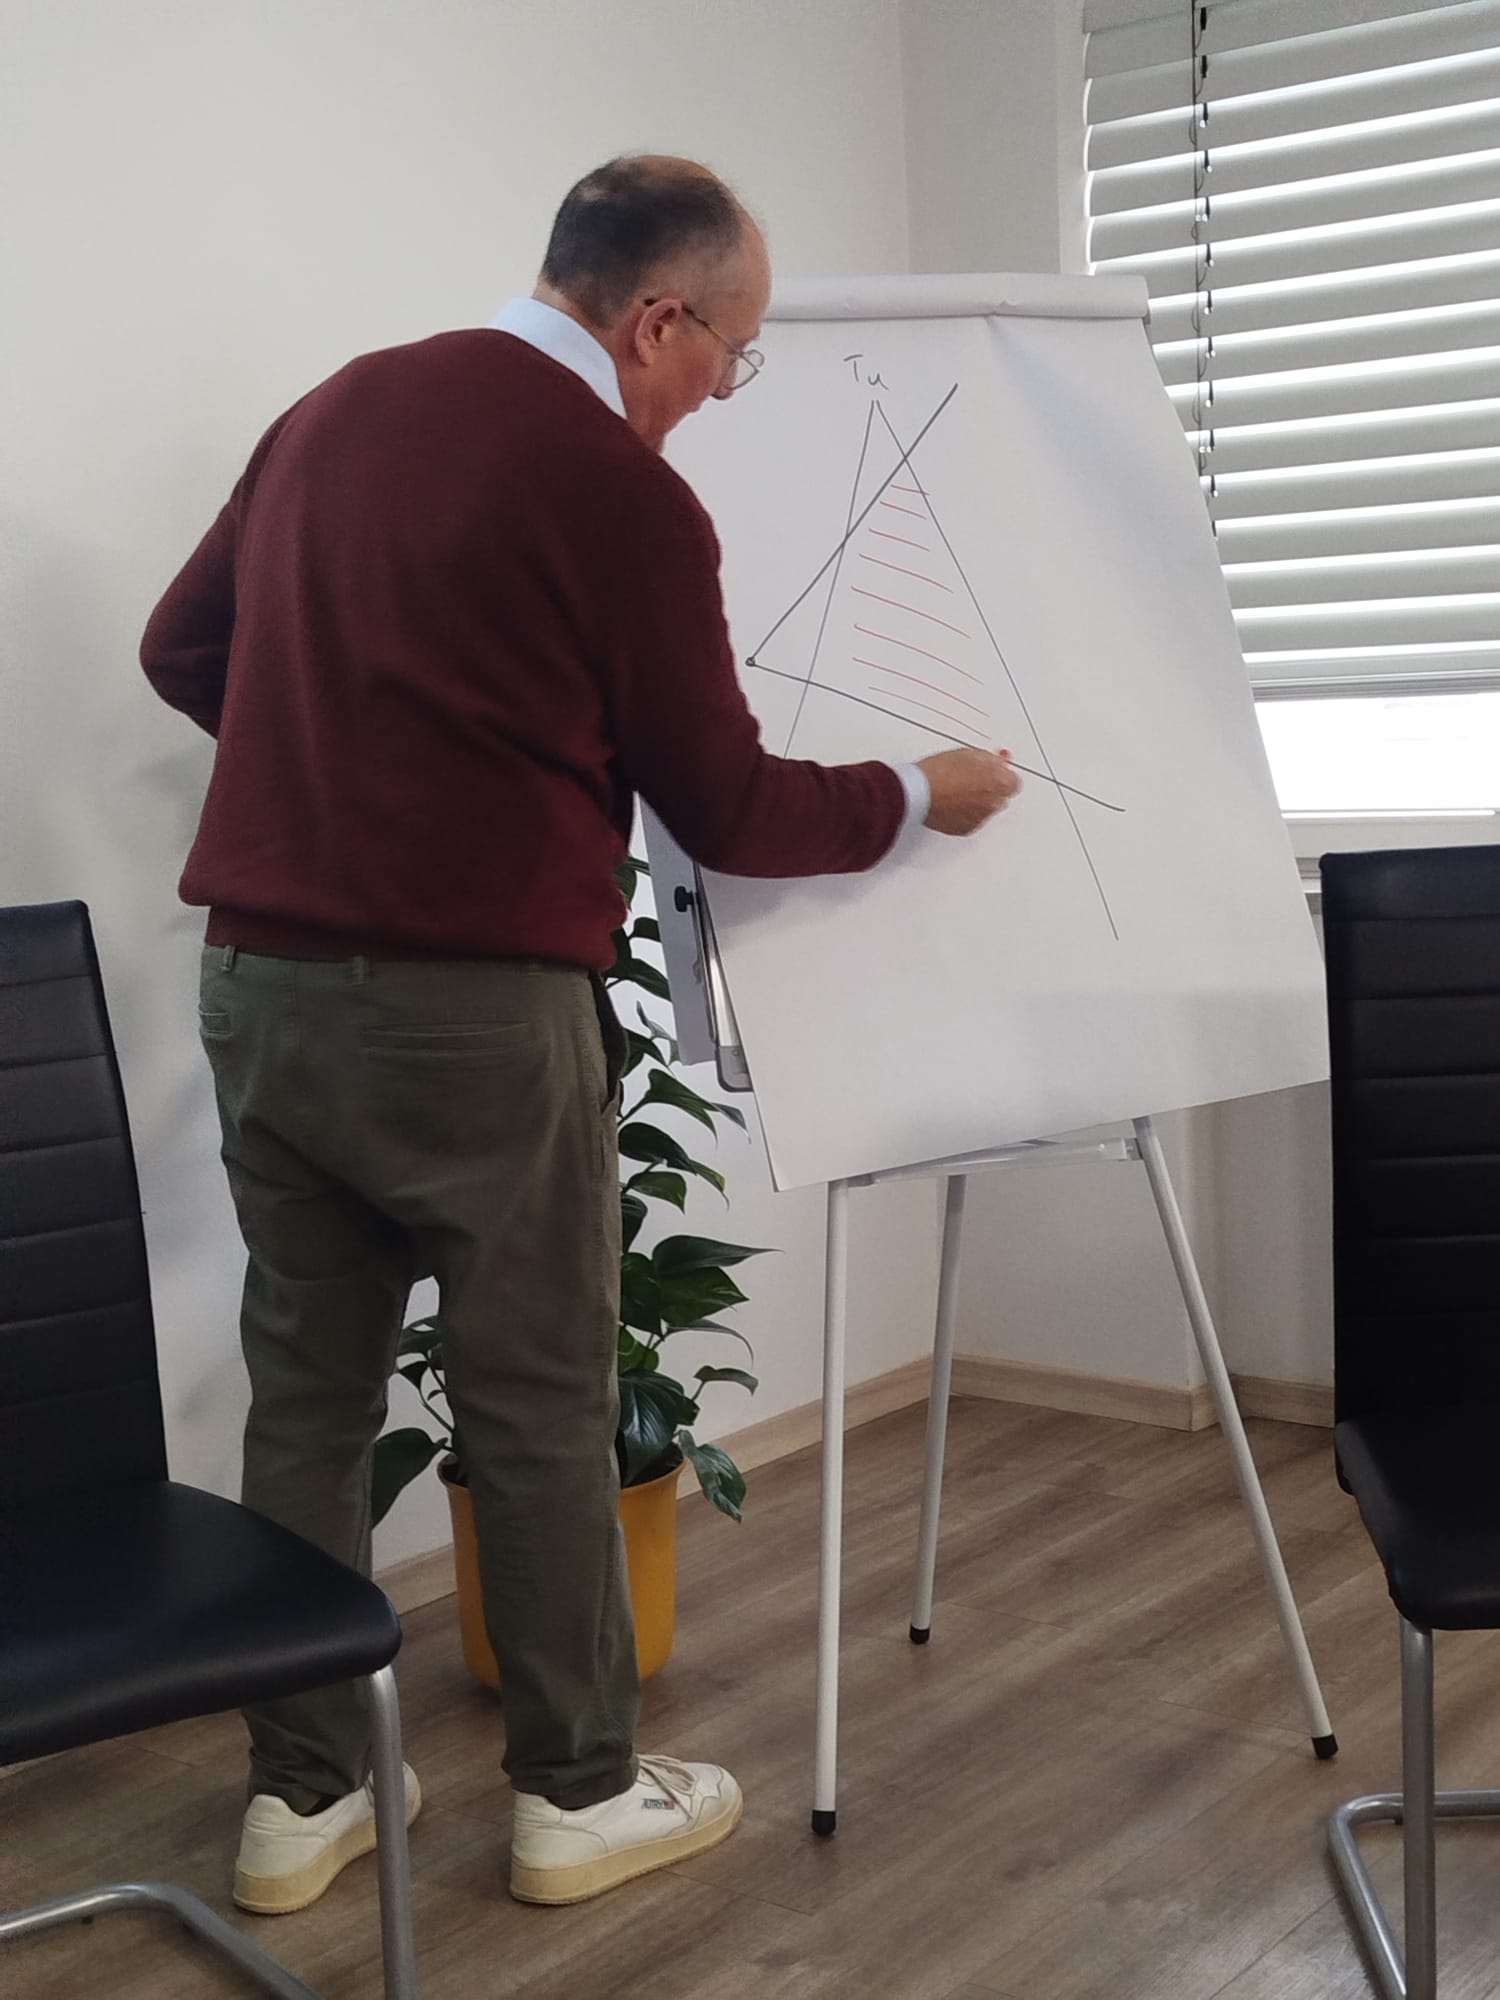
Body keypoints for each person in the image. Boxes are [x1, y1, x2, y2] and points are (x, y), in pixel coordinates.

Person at [140, 154, 1020, 1914]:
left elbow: (183, 649)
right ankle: (576, 1796)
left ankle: (302, 1798)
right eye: (731, 353)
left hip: (262, 989)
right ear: (655, 318)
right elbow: (730, 802)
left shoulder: (336, 409)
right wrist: (923, 791)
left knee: (305, 1402)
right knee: (539, 1401)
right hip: (473, 1017)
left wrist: (354, 764)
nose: (723, 389)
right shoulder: (617, 492)